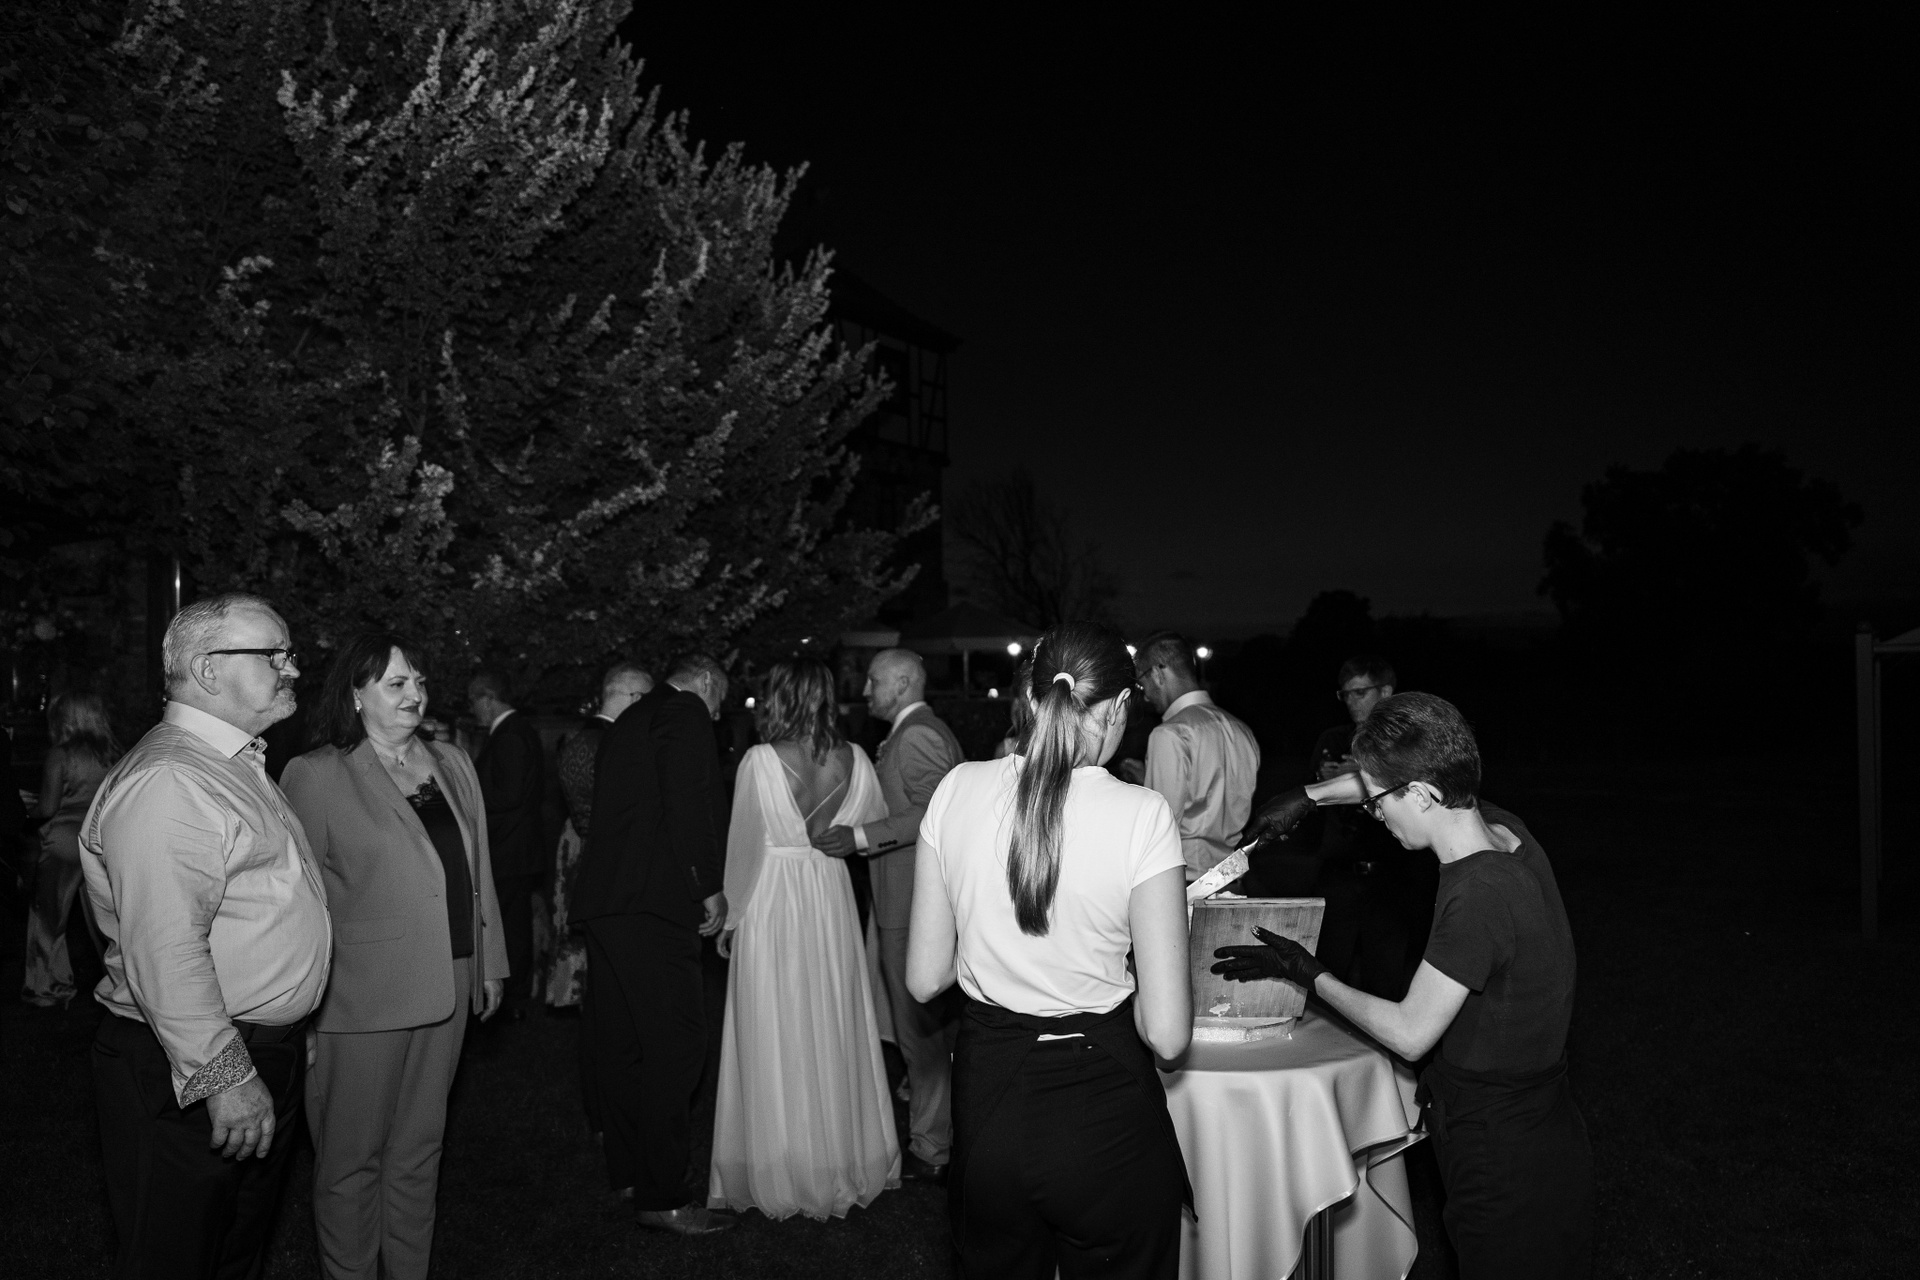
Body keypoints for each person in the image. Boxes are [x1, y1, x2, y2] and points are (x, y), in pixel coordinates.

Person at [1217, 692, 1592, 1279]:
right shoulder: (1505, 833)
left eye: (1377, 802)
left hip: (1499, 1147)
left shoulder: (1478, 896)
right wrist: (1309, 797)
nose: (1374, 814)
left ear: (1420, 795)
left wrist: (1305, 971)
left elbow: (1411, 1032)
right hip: (1545, 1132)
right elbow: (1406, 773)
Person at [907, 621, 1193, 1279]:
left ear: (1031, 699)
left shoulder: (956, 788)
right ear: (1120, 708)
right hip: (1104, 1116)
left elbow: (924, 978)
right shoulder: (1142, 814)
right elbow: (1168, 1035)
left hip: (989, 1109)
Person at [79, 592, 333, 1278]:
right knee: (176, 1258)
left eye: (289, 654)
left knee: (232, 1252)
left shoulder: (228, 762)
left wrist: (288, 1027)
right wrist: (225, 1075)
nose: (292, 669)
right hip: (189, 1064)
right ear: (206, 669)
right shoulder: (171, 777)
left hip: (246, 1048)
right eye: (273, 654)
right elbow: (166, 950)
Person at [280, 632, 509, 1279]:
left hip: (449, 984)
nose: (415, 695)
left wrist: (489, 961)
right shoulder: (317, 774)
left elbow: (478, 867)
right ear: (356, 695)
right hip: (358, 997)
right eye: (397, 683)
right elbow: (295, 901)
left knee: (419, 1151)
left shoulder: (452, 762)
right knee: (351, 1161)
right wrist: (299, 1009)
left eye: (420, 683)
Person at [708, 660, 900, 1217]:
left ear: (780, 697)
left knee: (775, 1019)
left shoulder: (760, 761)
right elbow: (871, 823)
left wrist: (731, 915)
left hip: (772, 897)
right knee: (831, 1015)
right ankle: (837, 1157)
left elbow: (745, 845)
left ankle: (781, 1164)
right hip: (828, 894)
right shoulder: (856, 758)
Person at [570, 652, 733, 1235]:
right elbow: (688, 799)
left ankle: (630, 1173)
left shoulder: (630, 719)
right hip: (652, 903)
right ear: (706, 683)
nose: (717, 716)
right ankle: (664, 1194)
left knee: (621, 1042)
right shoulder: (684, 711)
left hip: (606, 902)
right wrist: (706, 885)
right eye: (720, 703)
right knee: (678, 1042)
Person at [818, 647, 965, 1181]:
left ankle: (932, 1146)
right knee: (928, 1028)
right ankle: (943, 1134)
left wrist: (859, 836)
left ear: (902, 683)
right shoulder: (915, 731)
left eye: (874, 680)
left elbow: (934, 812)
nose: (866, 691)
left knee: (920, 1031)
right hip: (905, 899)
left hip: (912, 903)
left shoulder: (918, 735)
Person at [549, 662, 652, 1010]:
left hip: (577, 845)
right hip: (609, 856)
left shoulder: (578, 737)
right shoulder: (618, 743)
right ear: (635, 698)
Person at [1124, 630, 1260, 883]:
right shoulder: (1241, 730)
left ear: (1158, 673)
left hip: (1188, 881)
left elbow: (1162, 826)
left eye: (1142, 683)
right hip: (1233, 877)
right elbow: (1211, 798)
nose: (1146, 695)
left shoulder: (1170, 734)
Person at [23, 691, 117, 1007]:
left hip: (64, 842)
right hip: (101, 839)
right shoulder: (115, 754)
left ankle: (48, 988)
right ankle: (121, 985)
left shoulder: (60, 755)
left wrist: (27, 810)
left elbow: (48, 808)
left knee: (49, 917)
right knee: (107, 920)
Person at [468, 672, 546, 1006]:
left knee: (511, 927)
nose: (473, 710)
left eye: (473, 702)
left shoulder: (511, 734)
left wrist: (468, 796)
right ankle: (516, 995)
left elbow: (510, 793)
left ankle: (513, 996)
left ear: (488, 698)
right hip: (516, 848)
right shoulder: (518, 730)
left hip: (510, 849)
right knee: (514, 924)